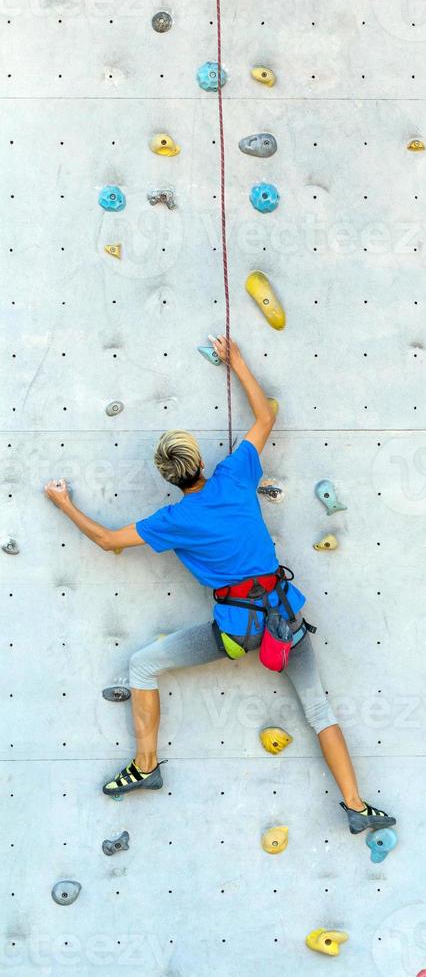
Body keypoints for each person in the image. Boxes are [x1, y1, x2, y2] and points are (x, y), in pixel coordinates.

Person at [44, 336, 395, 835]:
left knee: (143, 665)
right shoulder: (234, 476)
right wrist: (238, 362)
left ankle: (145, 767)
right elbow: (265, 418)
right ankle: (357, 807)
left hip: (233, 632)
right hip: (283, 620)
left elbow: (105, 540)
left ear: (168, 477)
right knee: (319, 708)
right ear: (201, 462)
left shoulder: (173, 519)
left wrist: (63, 501)